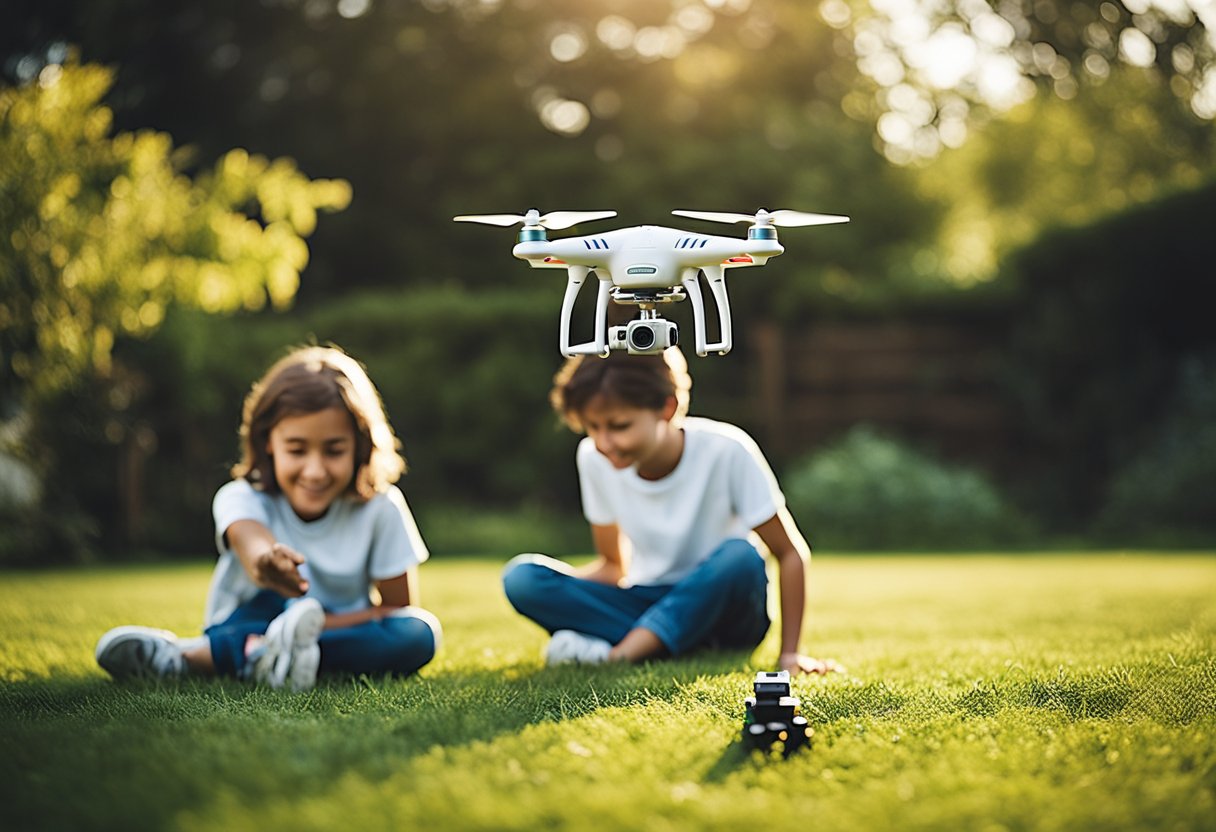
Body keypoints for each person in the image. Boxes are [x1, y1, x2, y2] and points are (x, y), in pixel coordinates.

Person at [95, 345, 441, 691]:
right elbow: (252, 543)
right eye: (297, 449)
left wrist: (318, 624)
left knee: (419, 633)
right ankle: (237, 652)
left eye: (334, 450)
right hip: (253, 621)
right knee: (263, 611)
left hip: (341, 629)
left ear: (360, 446)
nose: (315, 471)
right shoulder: (241, 496)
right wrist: (267, 561)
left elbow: (397, 609)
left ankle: (214, 657)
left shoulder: (382, 508)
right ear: (268, 442)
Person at [502, 346, 841, 676]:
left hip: (727, 613)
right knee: (523, 578)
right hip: (648, 601)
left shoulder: (728, 450)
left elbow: (790, 553)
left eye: (619, 426)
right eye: (593, 427)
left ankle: (619, 654)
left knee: (742, 555)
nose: (604, 443)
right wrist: (553, 588)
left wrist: (790, 654)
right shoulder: (593, 458)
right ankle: (663, 642)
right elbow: (613, 567)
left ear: (667, 408)